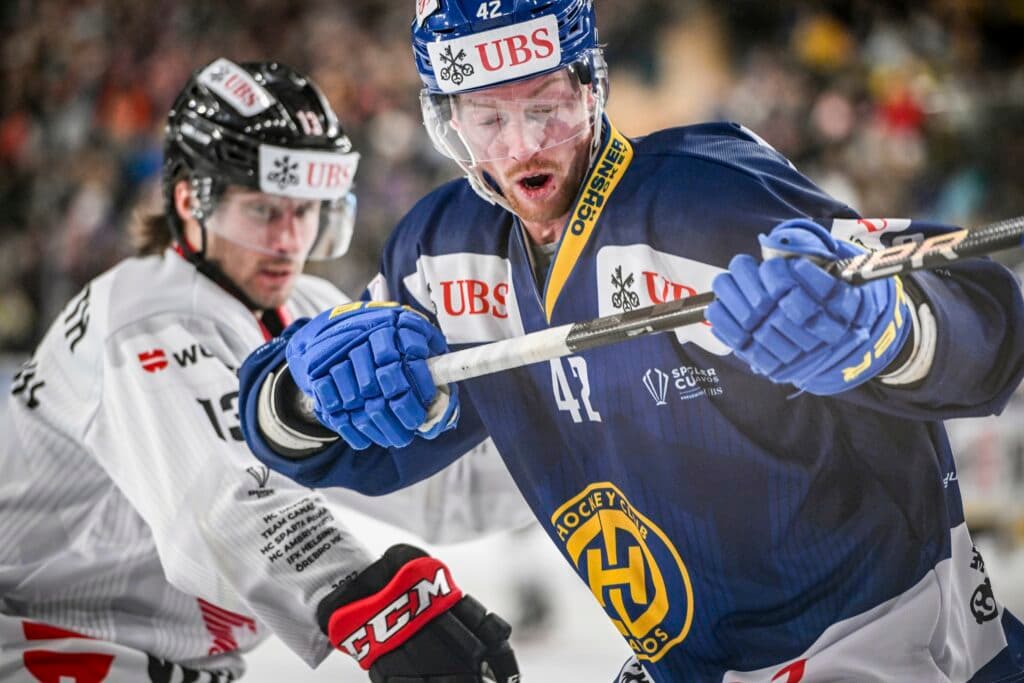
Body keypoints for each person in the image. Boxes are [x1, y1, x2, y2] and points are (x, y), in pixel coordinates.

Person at [238, 2, 1024, 681]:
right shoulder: (442, 251)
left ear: (592, 86)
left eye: (547, 106)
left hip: (886, 643)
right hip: (690, 661)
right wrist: (306, 392)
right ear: (448, 121)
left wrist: (883, 328)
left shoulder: (709, 195)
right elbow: (315, 437)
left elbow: (985, 316)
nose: (523, 147)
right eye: (488, 118)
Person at [0, 58, 531, 682]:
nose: (288, 240)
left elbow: (434, 487)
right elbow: (216, 500)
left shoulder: (304, 309)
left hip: (138, 657)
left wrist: (565, 450)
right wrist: (373, 607)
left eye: (305, 210)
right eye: (261, 210)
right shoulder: (141, 312)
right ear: (189, 201)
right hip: (34, 645)